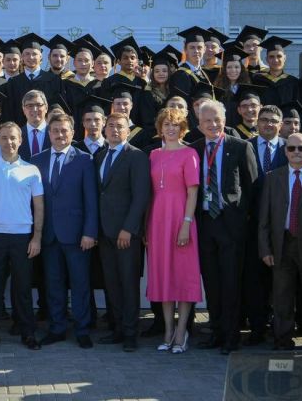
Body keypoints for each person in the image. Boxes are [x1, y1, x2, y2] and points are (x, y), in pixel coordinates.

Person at [191, 100, 258, 354]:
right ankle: (216, 332)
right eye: (207, 120)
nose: (213, 124)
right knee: (212, 282)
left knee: (231, 282)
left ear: (225, 120)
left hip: (231, 226)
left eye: (217, 119)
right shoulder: (194, 149)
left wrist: (244, 220)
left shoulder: (240, 147)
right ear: (199, 124)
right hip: (205, 223)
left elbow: (252, 188)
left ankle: (231, 337)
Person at [0, 122, 44, 350]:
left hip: (23, 237)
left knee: (23, 289)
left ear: (20, 140)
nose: (9, 142)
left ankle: (28, 333)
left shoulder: (32, 170)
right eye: (4, 138)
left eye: (13, 137)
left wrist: (36, 237)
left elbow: (39, 206)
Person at [31, 113, 98, 348]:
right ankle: (57, 328)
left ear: (73, 133)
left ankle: (82, 329)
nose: (59, 135)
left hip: (77, 235)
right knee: (53, 284)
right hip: (49, 235)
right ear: (49, 134)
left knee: (80, 284)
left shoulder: (84, 160)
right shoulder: (37, 160)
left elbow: (91, 200)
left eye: (64, 131)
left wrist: (90, 232)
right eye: (55, 131)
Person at [145, 108, 201, 354]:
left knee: (183, 275)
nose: (170, 128)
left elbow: (192, 192)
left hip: (181, 220)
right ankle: (168, 330)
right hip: (157, 222)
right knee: (164, 276)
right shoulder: (153, 155)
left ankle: (181, 331)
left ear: (182, 129)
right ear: (160, 128)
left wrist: (186, 224)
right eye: (166, 124)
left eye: (175, 124)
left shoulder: (189, 154)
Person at [259, 133, 302, 349]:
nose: (296, 152)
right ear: (285, 151)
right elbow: (264, 218)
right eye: (292, 148)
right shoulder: (272, 178)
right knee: (282, 295)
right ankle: (283, 339)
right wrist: (265, 249)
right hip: (282, 244)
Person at [95, 113, 151, 352]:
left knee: (128, 284)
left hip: (126, 233)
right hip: (104, 233)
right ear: (104, 130)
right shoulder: (100, 156)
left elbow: (141, 196)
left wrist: (129, 228)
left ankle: (130, 333)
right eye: (111, 126)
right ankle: (117, 329)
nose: (115, 130)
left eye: (120, 126)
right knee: (112, 284)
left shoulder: (136, 156)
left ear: (128, 131)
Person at [242, 105, 287, 346]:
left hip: (283, 226)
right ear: (257, 122)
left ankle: (281, 330)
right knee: (254, 280)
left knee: (282, 281)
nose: (268, 124)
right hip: (252, 226)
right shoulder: (244, 146)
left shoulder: (291, 148)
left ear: (280, 124)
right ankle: (257, 328)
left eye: (273, 120)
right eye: (264, 120)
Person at [2, 33, 64, 127]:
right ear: (22, 57)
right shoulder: (13, 82)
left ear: (41, 57)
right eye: (27, 54)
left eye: (34, 54)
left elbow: (57, 109)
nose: (31, 57)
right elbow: (9, 111)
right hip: (20, 130)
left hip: (47, 130)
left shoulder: (53, 80)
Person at [169, 27, 213, 99]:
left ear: (204, 49)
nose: (196, 51)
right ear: (185, 49)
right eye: (192, 48)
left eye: (199, 47)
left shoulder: (204, 73)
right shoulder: (180, 75)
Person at [18, 90, 51, 161]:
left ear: (46, 108)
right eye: (30, 106)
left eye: (39, 105)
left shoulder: (55, 133)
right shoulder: (17, 135)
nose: (35, 109)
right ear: (23, 110)